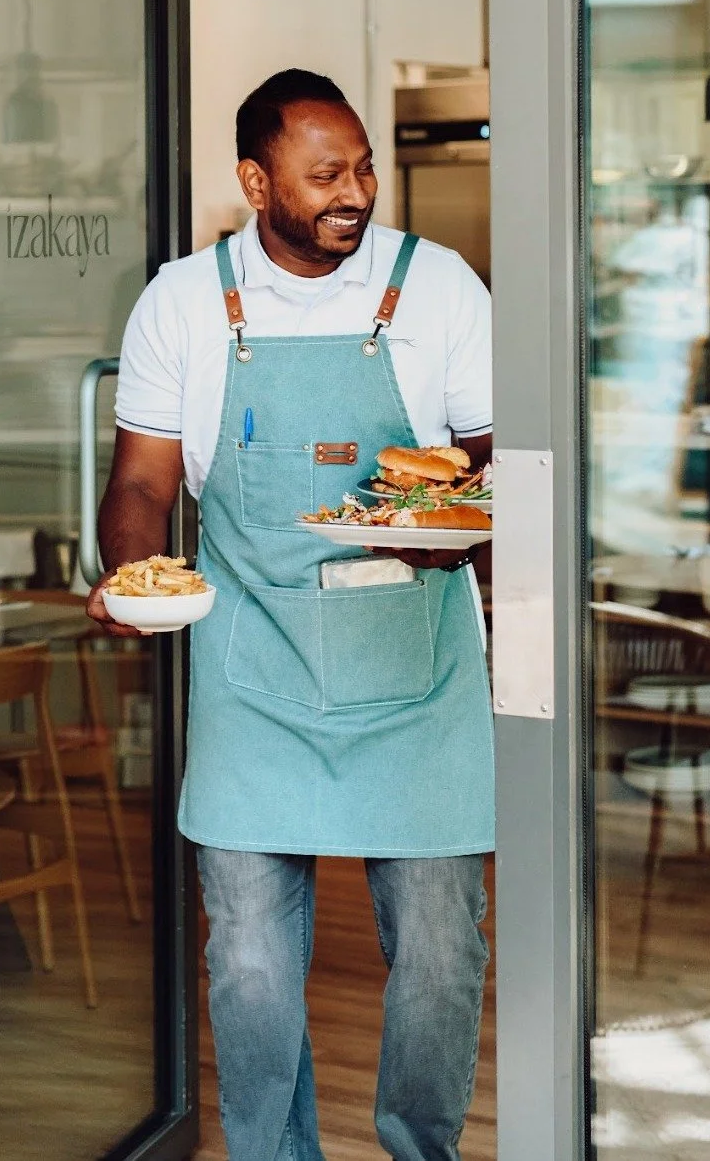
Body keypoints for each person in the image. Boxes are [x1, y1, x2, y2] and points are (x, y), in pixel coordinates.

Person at [87, 68, 494, 1161]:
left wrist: (454, 525)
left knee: (443, 956)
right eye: (324, 176)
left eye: (362, 168)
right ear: (255, 182)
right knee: (250, 965)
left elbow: (492, 465)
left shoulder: (439, 285)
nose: (353, 193)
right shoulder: (184, 300)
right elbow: (141, 483)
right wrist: (133, 573)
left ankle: (423, 1148)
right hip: (253, 666)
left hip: (419, 671)